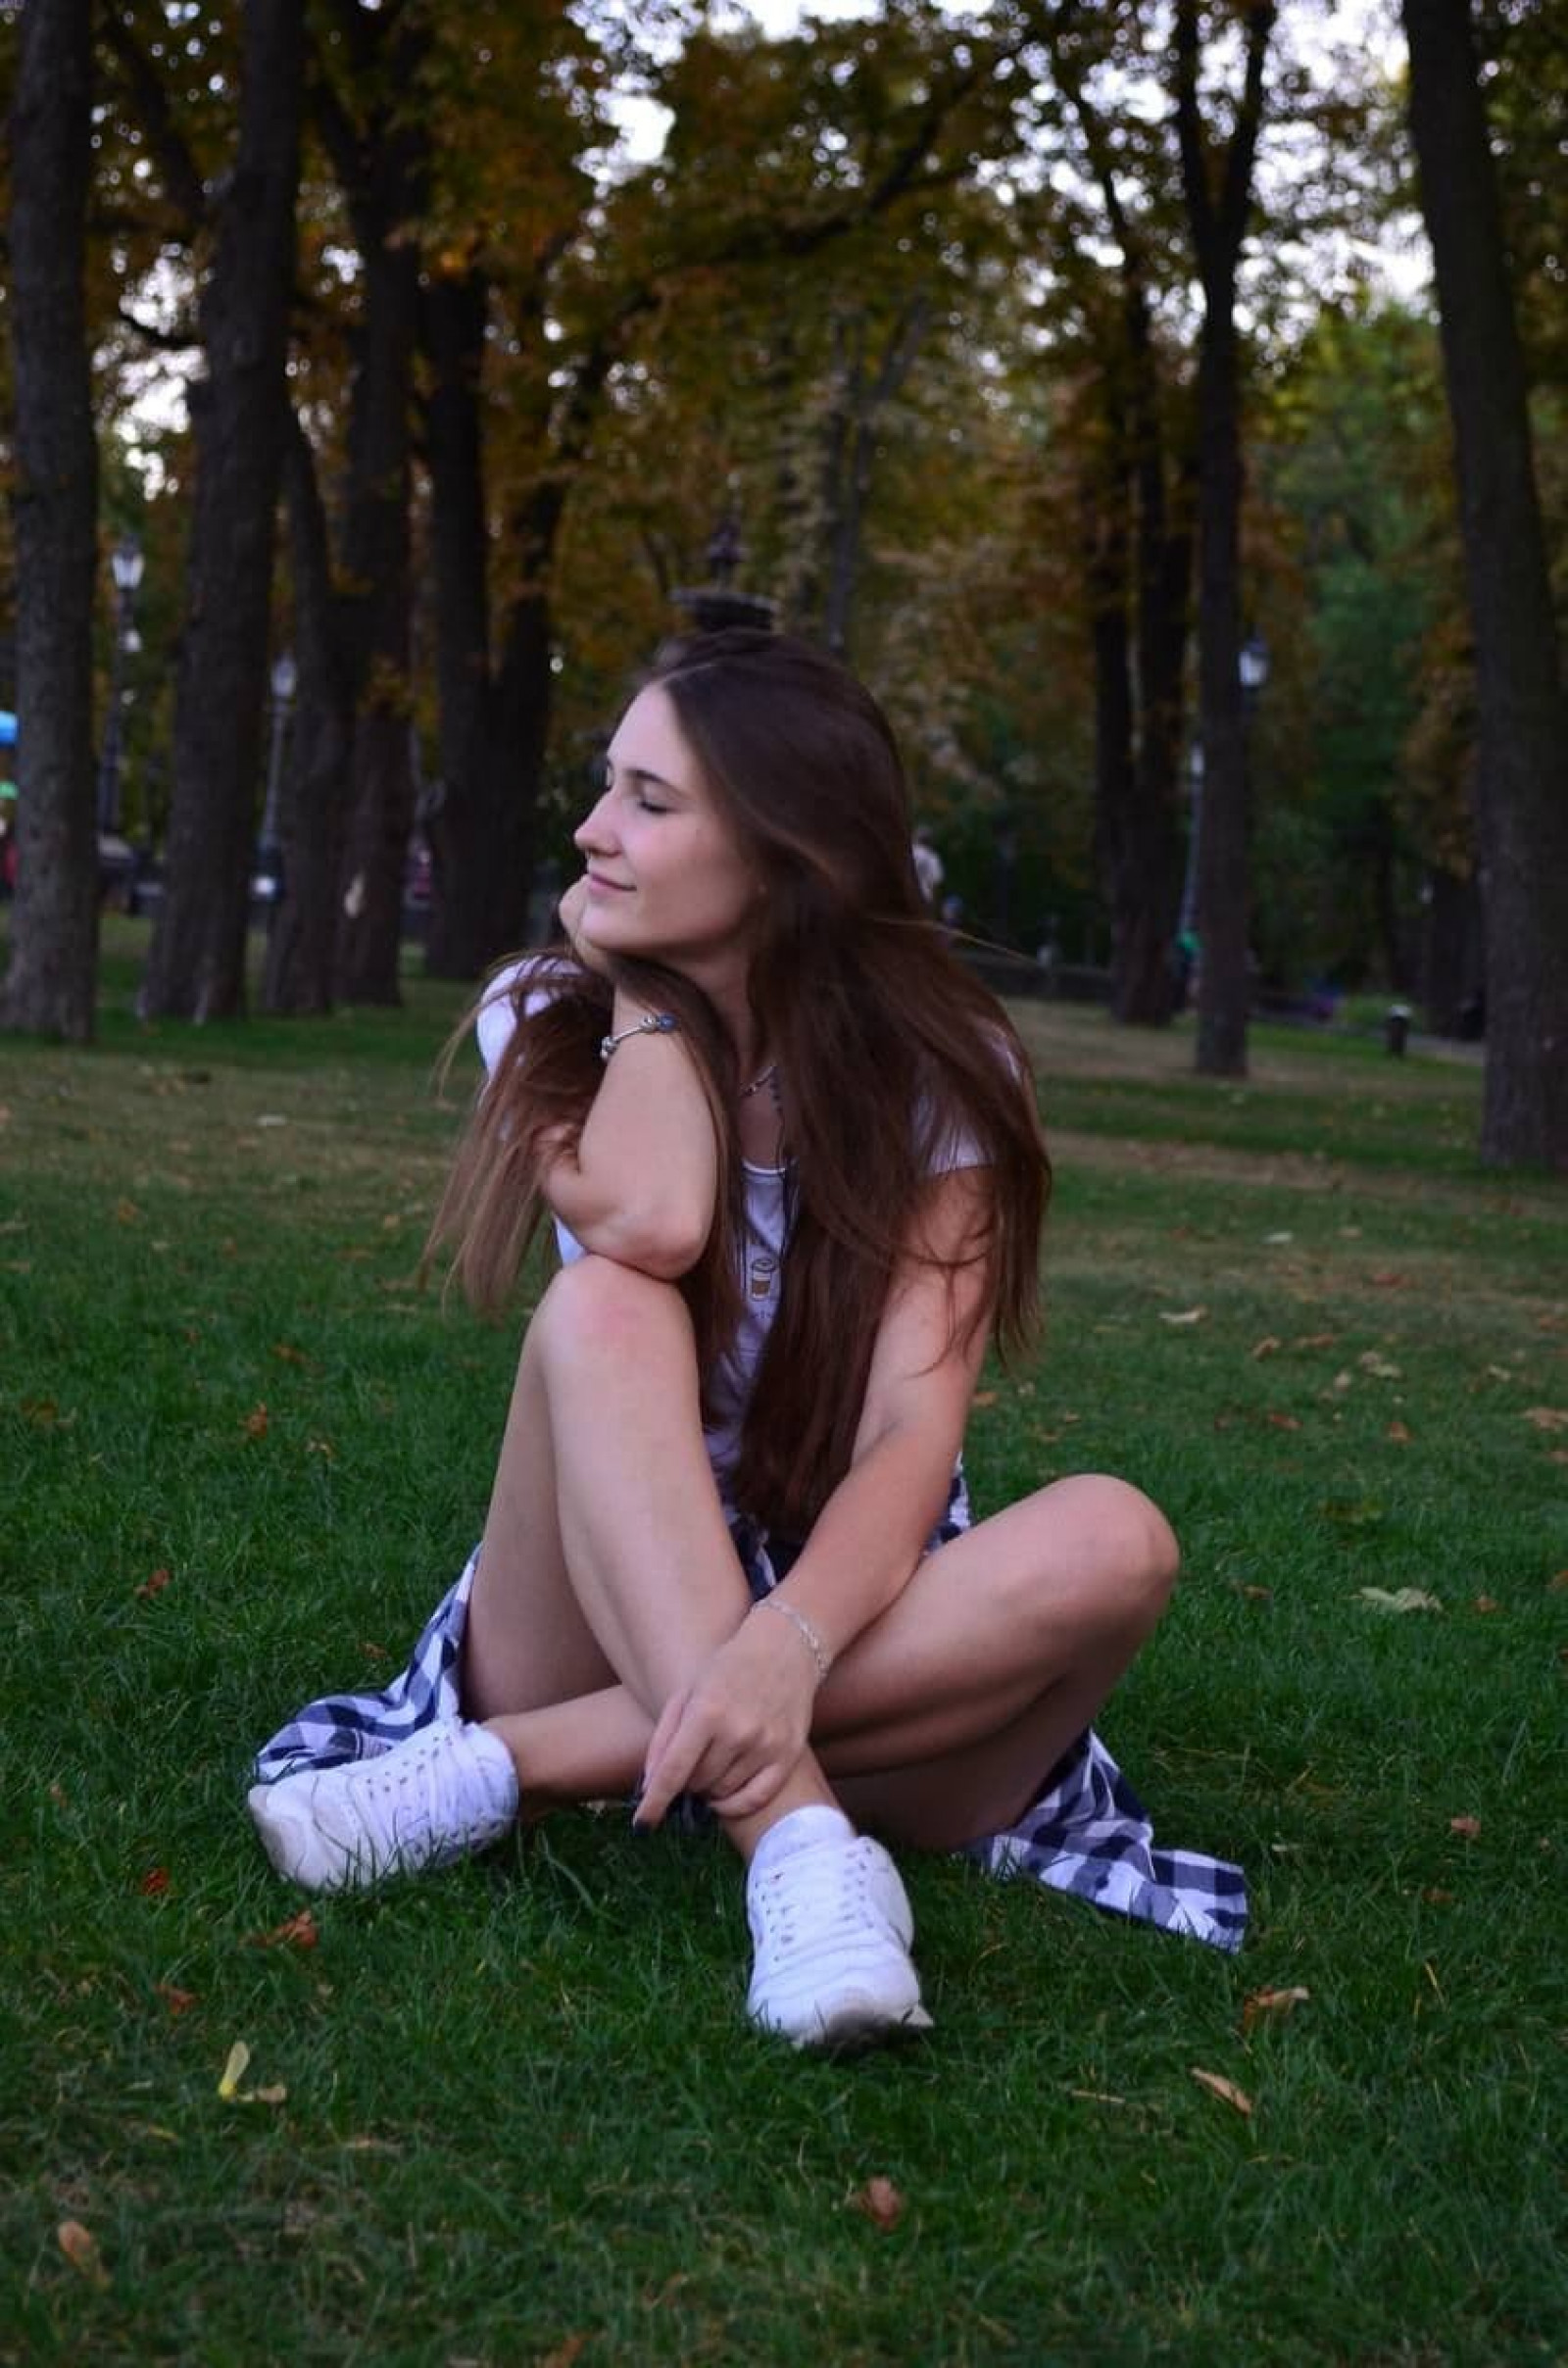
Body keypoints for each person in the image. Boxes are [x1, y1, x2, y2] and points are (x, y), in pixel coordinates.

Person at [248, 632, 1244, 2050]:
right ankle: (797, 1850)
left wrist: (791, 1641)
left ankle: (508, 1770)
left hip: (860, 1611)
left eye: (649, 801)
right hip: (589, 1594)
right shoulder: (546, 1017)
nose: (592, 831)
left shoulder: (944, 1070)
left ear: (789, 859)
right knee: (600, 1304)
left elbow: (910, 1431)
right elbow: (657, 1223)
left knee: (1119, 1538)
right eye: (607, 786)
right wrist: (649, 997)